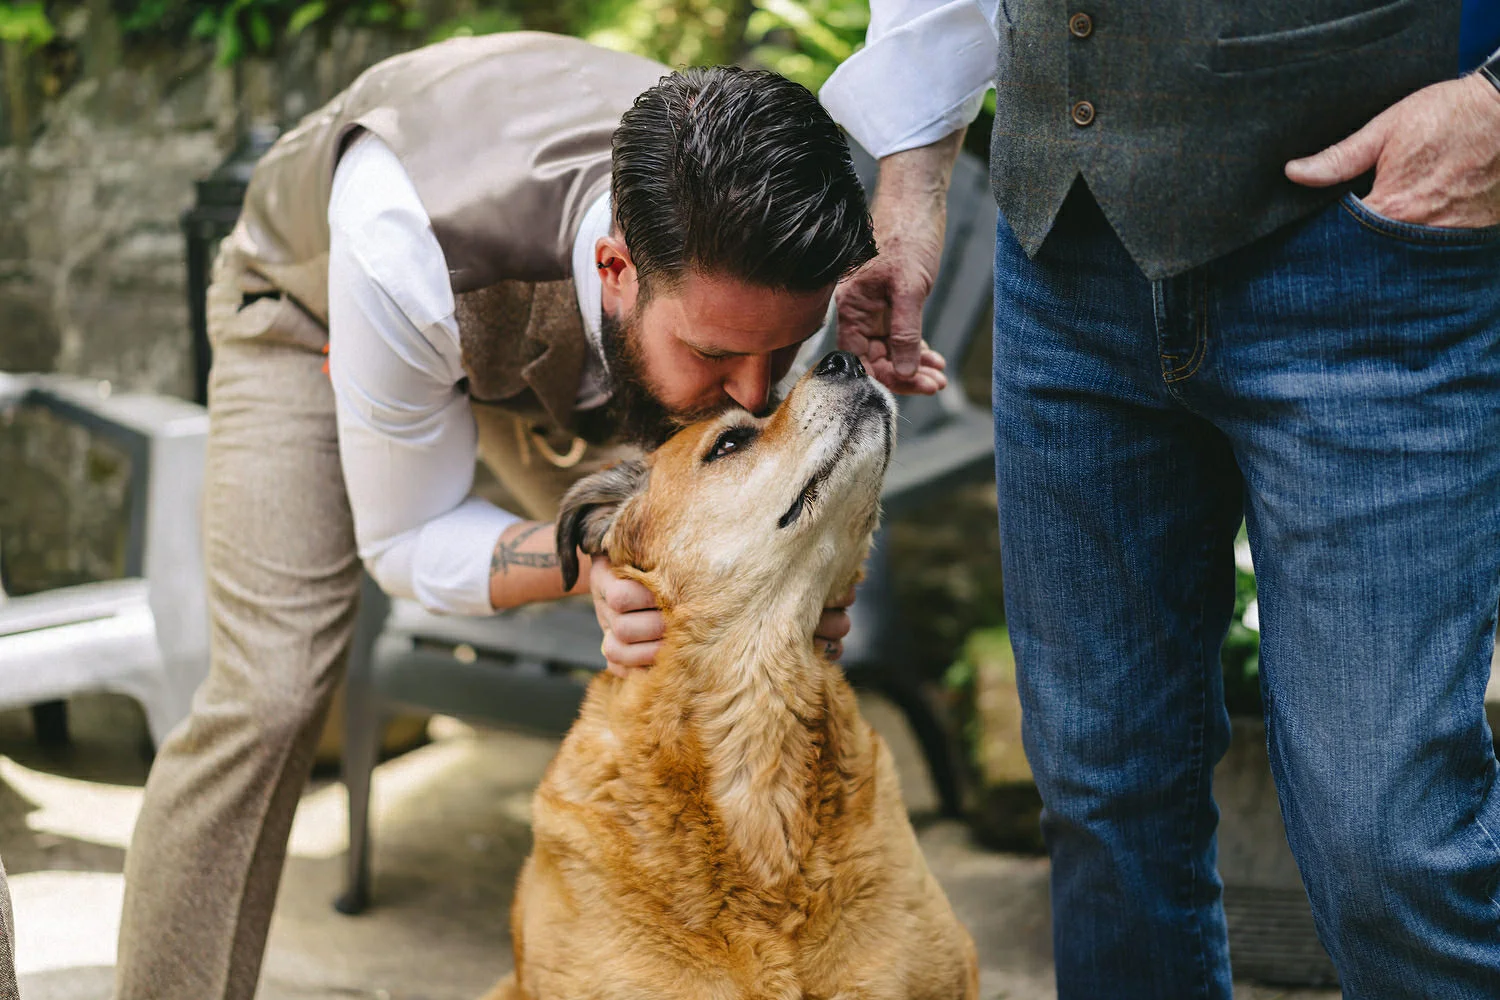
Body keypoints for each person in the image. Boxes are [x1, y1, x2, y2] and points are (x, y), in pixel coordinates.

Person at [112, 32, 891, 999]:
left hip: (602, 352)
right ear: (617, 267)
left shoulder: (751, 225)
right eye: (720, 356)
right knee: (268, 695)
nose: (750, 395)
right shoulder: (403, 239)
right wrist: (588, 562)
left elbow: (749, 417)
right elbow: (403, 539)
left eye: (781, 350)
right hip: (312, 320)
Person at [821, 1, 1500, 996]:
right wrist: (914, 174)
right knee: (1105, 806)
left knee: (1392, 842)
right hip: (1067, 256)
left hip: (1374, 256)